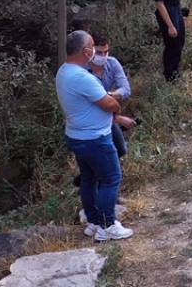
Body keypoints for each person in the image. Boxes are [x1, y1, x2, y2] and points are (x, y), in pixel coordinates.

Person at [57, 30, 133, 241]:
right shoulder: (82, 77)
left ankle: (93, 222)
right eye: (92, 46)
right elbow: (110, 103)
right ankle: (108, 224)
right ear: (86, 50)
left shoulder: (64, 71)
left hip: (77, 135)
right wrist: (115, 104)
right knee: (111, 177)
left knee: (89, 179)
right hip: (95, 138)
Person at [88, 31, 137, 159]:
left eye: (106, 51)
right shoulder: (82, 70)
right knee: (95, 154)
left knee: (120, 149)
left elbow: (126, 89)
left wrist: (107, 96)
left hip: (109, 113)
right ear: (90, 51)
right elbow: (89, 104)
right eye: (99, 53)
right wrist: (118, 118)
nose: (103, 56)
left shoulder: (112, 63)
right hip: (89, 119)